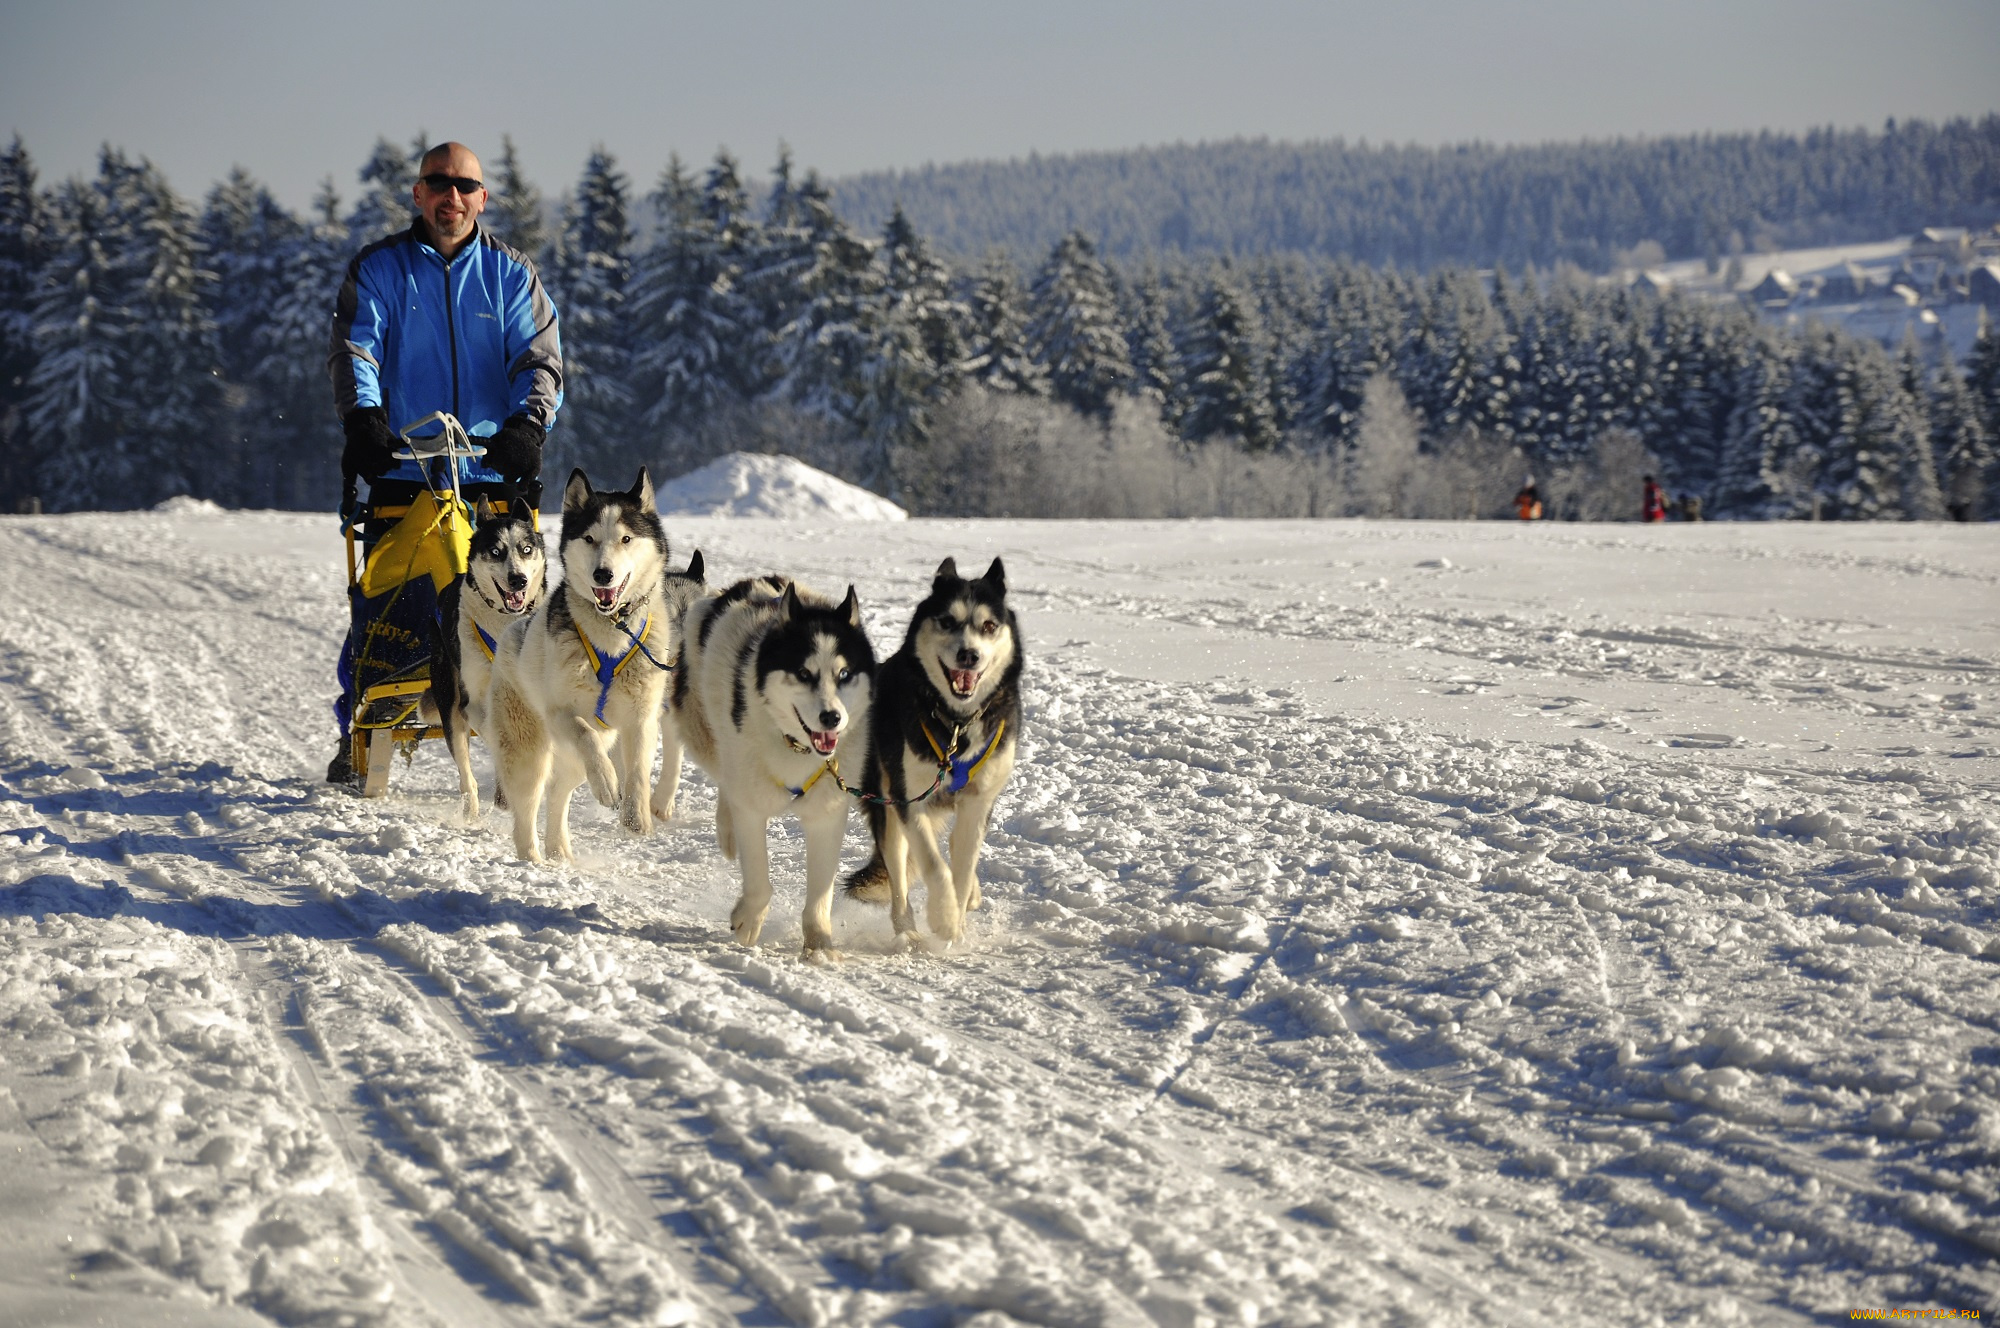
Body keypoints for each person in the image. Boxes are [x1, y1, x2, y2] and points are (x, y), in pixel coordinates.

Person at [325, 141, 562, 784]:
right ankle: (364, 720)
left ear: (483, 198)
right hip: (404, 475)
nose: (450, 197)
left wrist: (527, 424)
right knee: (386, 608)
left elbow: (539, 361)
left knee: (513, 614)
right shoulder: (379, 269)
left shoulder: (512, 275)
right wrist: (364, 419)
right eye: (438, 183)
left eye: (464, 186)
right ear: (417, 193)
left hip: (491, 482)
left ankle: (524, 736)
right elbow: (356, 351)